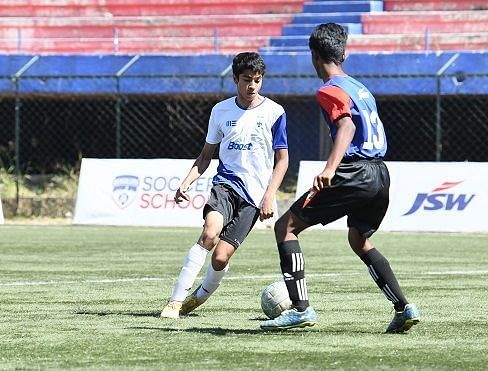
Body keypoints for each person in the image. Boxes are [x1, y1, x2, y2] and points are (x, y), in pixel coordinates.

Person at [260, 23, 420, 333]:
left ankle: (301, 309)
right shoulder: (359, 87)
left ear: (315, 56)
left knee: (285, 227)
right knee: (359, 239)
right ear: (343, 54)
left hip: (353, 171)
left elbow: (346, 127)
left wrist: (330, 168)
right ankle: (403, 307)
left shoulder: (328, 89)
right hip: (379, 173)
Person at [160, 52, 289, 319]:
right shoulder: (220, 111)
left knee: (220, 258)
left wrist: (269, 196)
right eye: (246, 80)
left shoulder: (275, 112)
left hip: (254, 197)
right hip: (226, 185)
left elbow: (283, 160)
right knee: (209, 233)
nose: (252, 86)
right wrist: (186, 182)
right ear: (235, 79)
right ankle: (174, 301)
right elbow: (206, 156)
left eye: (257, 80)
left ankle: (198, 297)